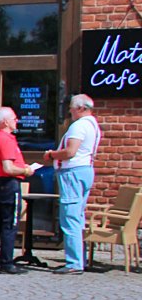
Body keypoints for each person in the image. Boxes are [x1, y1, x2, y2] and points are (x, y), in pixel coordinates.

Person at [44, 94, 102, 274]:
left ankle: (74, 262)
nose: (69, 110)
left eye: (71, 107)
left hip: (73, 172)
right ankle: (79, 259)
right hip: (85, 170)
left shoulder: (79, 126)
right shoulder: (93, 125)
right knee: (78, 215)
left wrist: (52, 154)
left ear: (80, 108)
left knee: (70, 216)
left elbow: (70, 152)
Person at [0, 106, 40, 275]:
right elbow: (8, 167)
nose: (17, 121)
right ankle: (6, 262)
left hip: (0, 183)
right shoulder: (6, 139)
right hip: (9, 183)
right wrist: (25, 170)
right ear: (5, 122)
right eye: (14, 119)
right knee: (10, 223)